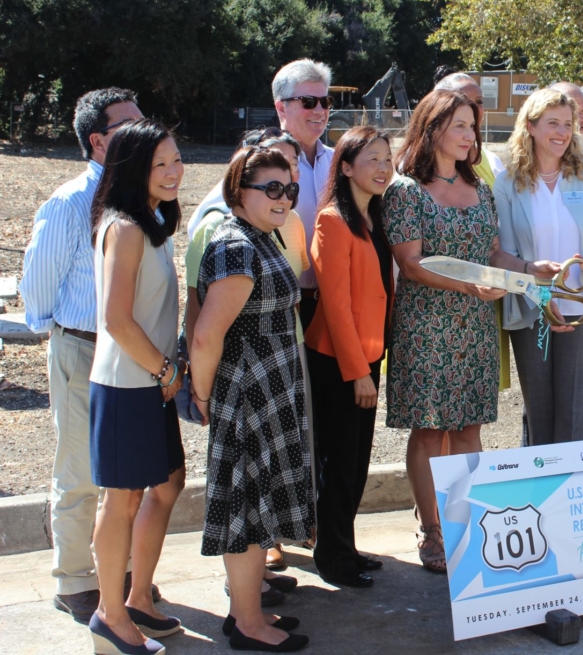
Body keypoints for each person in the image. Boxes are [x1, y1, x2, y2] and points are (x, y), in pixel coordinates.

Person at [20, 87, 150, 624]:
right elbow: (37, 291)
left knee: (122, 474)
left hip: (129, 353)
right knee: (78, 472)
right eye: (129, 125)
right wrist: (67, 335)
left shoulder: (141, 199)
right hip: (83, 347)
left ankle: (116, 576)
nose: (145, 132)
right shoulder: (71, 201)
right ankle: (76, 579)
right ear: (99, 141)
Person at [190, 147, 313, 651]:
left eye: (291, 189)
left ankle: (247, 610)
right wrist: (202, 396)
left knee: (259, 507)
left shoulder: (261, 236)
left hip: (267, 391)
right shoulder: (238, 245)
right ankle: (246, 622)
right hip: (247, 396)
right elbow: (205, 336)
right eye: (272, 189)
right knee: (247, 507)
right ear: (240, 190)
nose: (284, 198)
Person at [382, 90, 509, 573]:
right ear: (432, 128)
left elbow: (494, 253)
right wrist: (471, 284)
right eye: (459, 125)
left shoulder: (482, 188)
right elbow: (410, 264)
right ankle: (432, 528)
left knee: (469, 427)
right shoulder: (406, 191)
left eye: (472, 127)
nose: (469, 135)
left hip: (475, 325)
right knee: (432, 430)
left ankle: (466, 521)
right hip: (426, 325)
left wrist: (517, 274)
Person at [87, 119, 185, 654]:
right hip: (130, 384)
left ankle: (138, 598)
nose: (173, 172)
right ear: (133, 170)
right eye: (160, 164)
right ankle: (109, 615)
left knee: (168, 485)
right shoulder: (123, 227)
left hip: (150, 382)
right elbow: (116, 320)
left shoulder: (149, 221)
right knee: (119, 502)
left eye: (175, 159)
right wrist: (166, 371)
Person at [493, 88, 583, 445]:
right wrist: (535, 284)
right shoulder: (508, 182)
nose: (562, 132)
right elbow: (500, 255)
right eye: (553, 123)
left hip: (582, 311)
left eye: (568, 124)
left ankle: (572, 497)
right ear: (531, 126)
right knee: (539, 414)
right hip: (532, 310)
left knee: (576, 417)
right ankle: (543, 498)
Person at [304, 126, 394, 587]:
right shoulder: (332, 221)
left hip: (368, 357)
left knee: (357, 461)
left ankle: (346, 546)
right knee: (337, 463)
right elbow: (335, 305)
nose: (383, 167)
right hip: (338, 361)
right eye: (372, 159)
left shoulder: (375, 216)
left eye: (387, 158)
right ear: (345, 167)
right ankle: (332, 558)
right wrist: (357, 373)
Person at [433, 73, 512, 396]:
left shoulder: (490, 162)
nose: (476, 112)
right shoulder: (411, 173)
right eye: (466, 103)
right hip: (436, 306)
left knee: (473, 408)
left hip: (483, 302)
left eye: (479, 103)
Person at [272, 58, 334, 330]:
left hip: (333, 305)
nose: (319, 110)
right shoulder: (260, 165)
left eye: (325, 101)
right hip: (281, 307)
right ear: (281, 107)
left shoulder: (340, 163)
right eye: (308, 101)